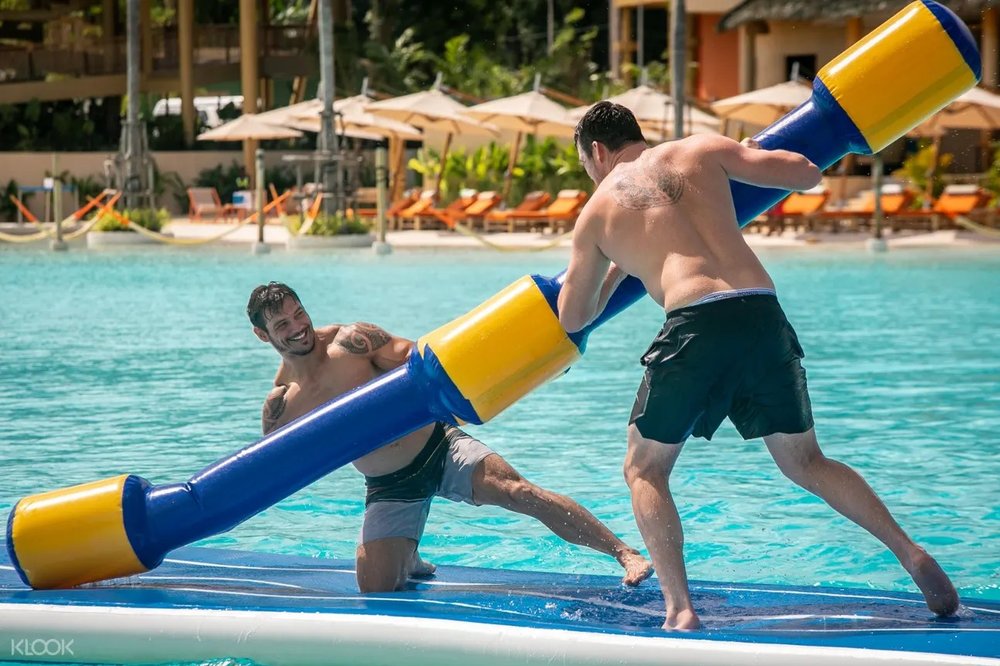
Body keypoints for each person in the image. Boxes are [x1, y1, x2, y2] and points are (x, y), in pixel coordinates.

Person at [557, 102, 959, 630]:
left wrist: (612, 266)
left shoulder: (597, 212)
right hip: (761, 312)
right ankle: (910, 553)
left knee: (645, 469)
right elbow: (805, 173)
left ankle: (679, 609)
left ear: (598, 152)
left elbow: (573, 316)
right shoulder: (699, 147)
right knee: (807, 462)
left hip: (694, 323)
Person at [247, 281, 652, 593]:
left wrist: (533, 361)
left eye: (299, 313)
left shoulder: (353, 342)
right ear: (263, 336)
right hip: (389, 485)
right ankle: (409, 554)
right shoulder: (283, 408)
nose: (299, 327)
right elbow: (282, 472)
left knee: (520, 493)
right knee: (374, 588)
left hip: (440, 447)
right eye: (283, 324)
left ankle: (624, 553)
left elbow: (426, 361)